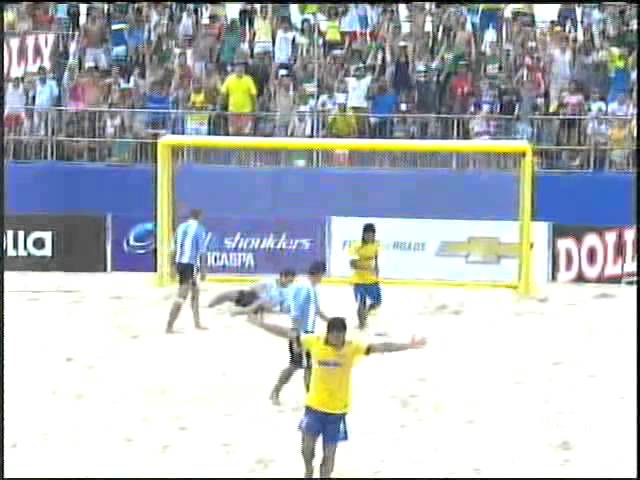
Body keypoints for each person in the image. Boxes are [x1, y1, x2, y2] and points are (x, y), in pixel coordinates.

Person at [245, 315, 427, 478]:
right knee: (307, 449)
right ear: (328, 333)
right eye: (334, 336)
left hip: (337, 411)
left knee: (329, 454)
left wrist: (408, 346)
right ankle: (308, 471)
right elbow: (288, 333)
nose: (337, 340)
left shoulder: (352, 347)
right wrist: (261, 324)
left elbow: (382, 346)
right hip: (314, 407)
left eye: (341, 337)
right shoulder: (315, 341)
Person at [270, 261, 330, 406]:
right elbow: (296, 314)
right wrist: (297, 338)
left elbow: (316, 310)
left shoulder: (310, 288)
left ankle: (309, 396)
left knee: (306, 366)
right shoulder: (305, 288)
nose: (323, 278)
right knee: (296, 365)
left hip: (306, 334)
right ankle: (276, 392)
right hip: (300, 334)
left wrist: (331, 321)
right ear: (318, 274)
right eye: (322, 275)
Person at [165, 209, 209, 334]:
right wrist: (204, 269)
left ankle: (197, 323)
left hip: (180, 264)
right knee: (181, 296)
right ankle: (169, 326)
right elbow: (202, 252)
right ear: (199, 217)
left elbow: (173, 249)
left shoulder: (181, 227)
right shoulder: (199, 229)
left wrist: (172, 266)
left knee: (195, 291)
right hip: (190, 265)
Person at [207, 269, 297, 315]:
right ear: (282, 277)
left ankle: (238, 312)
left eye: (291, 281)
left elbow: (286, 306)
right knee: (226, 295)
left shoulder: (290, 291)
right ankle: (209, 306)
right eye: (289, 280)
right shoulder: (269, 281)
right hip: (253, 297)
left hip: (265, 306)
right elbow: (254, 288)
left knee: (263, 301)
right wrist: (261, 293)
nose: (290, 283)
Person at [349, 223, 381, 330]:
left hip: (372, 280)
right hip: (358, 280)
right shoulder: (356, 245)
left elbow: (376, 259)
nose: (369, 236)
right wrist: (367, 267)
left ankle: (365, 315)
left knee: (377, 303)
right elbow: (352, 264)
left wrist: (377, 271)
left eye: (371, 234)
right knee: (361, 303)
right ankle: (361, 324)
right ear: (363, 234)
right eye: (367, 234)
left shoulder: (376, 245)